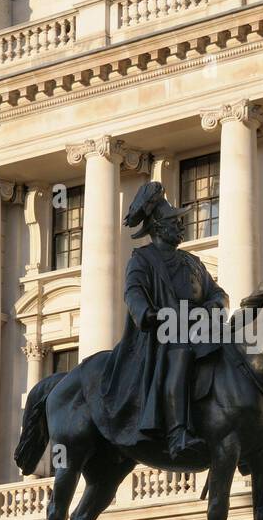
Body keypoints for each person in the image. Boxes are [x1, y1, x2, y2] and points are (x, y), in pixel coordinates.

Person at [91, 181, 229, 459]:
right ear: (157, 227)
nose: (180, 225)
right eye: (173, 221)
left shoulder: (193, 261)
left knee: (237, 348)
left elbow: (218, 292)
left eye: (179, 221)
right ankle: (178, 433)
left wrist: (215, 304)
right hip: (162, 331)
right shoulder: (142, 259)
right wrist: (149, 313)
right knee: (180, 354)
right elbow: (133, 292)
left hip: (200, 325)